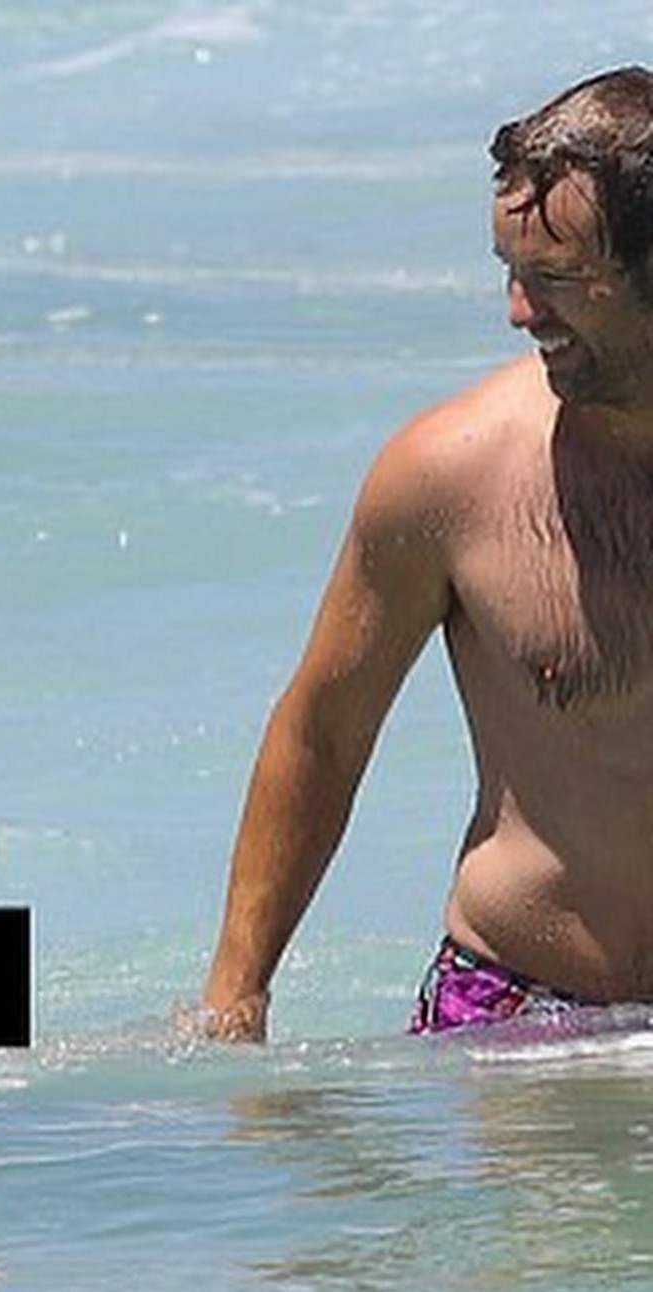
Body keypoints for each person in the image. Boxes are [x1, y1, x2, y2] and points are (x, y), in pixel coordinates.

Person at [203, 66, 653, 1040]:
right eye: (510, 271)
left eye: (557, 280)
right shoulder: (449, 476)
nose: (519, 311)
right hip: (516, 1009)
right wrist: (235, 999)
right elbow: (322, 732)